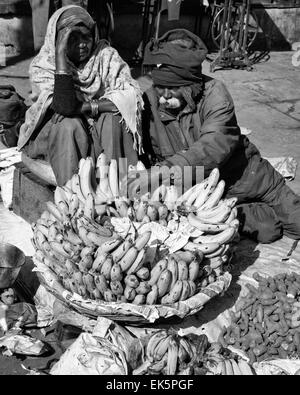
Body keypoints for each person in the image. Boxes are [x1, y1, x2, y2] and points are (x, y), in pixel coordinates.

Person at [136, 28, 300, 244]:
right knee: (268, 231)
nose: (164, 97)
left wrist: (164, 170)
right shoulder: (148, 97)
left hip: (247, 179)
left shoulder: (216, 94)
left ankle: (246, 211)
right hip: (204, 197)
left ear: (190, 83)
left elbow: (213, 146)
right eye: (160, 88)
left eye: (172, 89)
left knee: (297, 223)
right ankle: (240, 216)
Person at [18, 5, 143, 186]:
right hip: (60, 138)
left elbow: (130, 98)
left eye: (86, 36)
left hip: (97, 133)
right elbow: (65, 107)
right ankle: (73, 191)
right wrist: (61, 58)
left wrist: (86, 106)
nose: (82, 44)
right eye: (72, 38)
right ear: (56, 40)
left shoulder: (106, 56)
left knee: (113, 121)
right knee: (69, 123)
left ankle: (120, 185)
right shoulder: (44, 64)